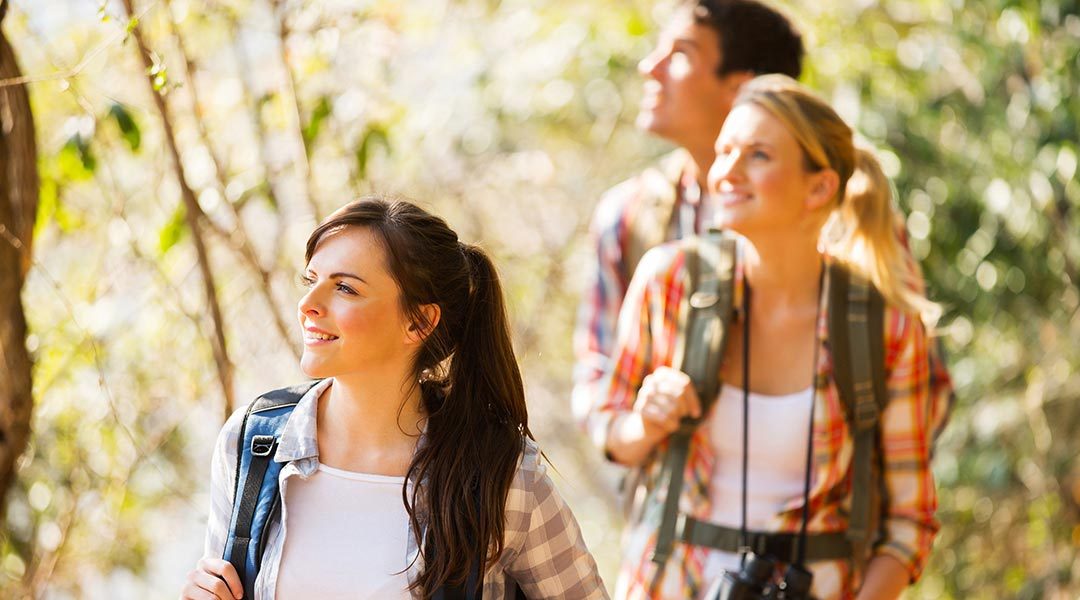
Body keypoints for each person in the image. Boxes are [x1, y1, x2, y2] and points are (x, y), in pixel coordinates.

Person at [595, 76, 941, 599]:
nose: (725, 173)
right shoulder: (670, 282)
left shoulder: (885, 326)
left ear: (819, 187)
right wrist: (645, 421)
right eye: (724, 151)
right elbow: (611, 432)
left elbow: (908, 523)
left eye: (756, 155)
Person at [181, 198, 608, 599]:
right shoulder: (254, 443)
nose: (308, 305)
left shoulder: (502, 476)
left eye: (345, 288)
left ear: (419, 322)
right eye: (311, 280)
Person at [573, 0, 805, 443]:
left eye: (680, 54)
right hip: (673, 502)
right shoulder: (627, 215)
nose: (648, 67)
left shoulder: (837, 204)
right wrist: (639, 429)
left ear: (740, 89)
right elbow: (597, 384)